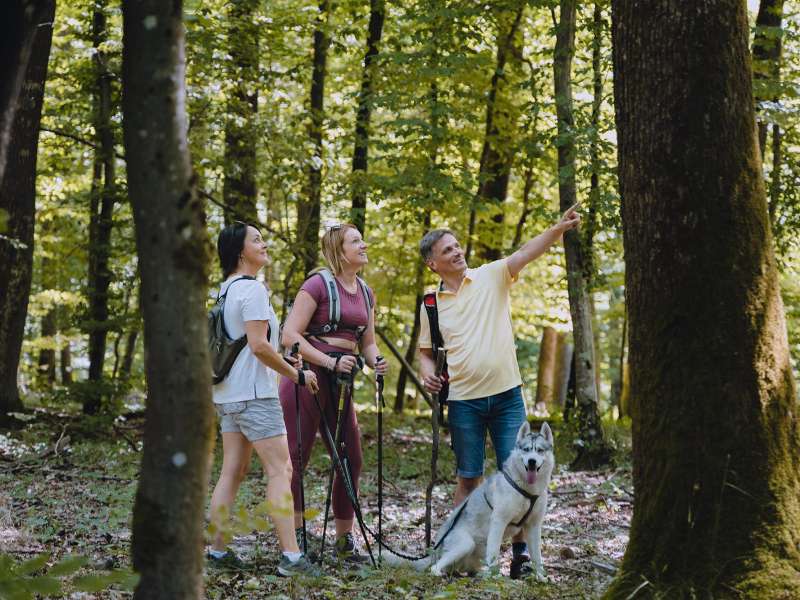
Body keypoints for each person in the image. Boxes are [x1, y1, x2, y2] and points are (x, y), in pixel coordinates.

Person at [417, 204, 580, 579]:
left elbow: (526, 252)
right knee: (469, 478)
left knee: (525, 477)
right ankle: (458, 556)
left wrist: (558, 228)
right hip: (463, 404)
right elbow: (426, 354)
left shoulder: (490, 276)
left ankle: (520, 558)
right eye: (447, 250)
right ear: (433, 264)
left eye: (457, 246)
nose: (457, 252)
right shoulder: (431, 304)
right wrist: (428, 376)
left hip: (507, 397)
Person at [208, 222, 320, 577]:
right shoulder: (252, 291)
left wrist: (283, 361)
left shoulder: (225, 291)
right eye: (256, 240)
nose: (264, 243)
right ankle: (291, 557)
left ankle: (217, 551)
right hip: (255, 396)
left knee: (232, 471)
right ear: (241, 252)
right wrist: (297, 375)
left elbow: (248, 345)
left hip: (227, 395)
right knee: (280, 470)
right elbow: (257, 345)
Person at [280, 222, 388, 564]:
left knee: (350, 458)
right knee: (296, 457)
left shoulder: (366, 292)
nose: (363, 244)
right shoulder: (318, 284)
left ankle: (344, 540)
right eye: (355, 241)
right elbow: (289, 335)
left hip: (341, 383)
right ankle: (295, 536)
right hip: (306, 377)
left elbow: (366, 342)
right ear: (339, 251)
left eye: (362, 239)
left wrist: (376, 362)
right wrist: (328, 361)